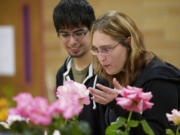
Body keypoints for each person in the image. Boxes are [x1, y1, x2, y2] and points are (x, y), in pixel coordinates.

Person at [89, 10, 180, 135]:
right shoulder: (114, 75)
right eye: (96, 50)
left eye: (106, 49)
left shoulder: (159, 79)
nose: (101, 58)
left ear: (128, 43)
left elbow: (157, 132)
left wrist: (121, 106)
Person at [53, 0, 107, 135]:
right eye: (65, 34)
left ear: (92, 29)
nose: (72, 41)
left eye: (78, 33)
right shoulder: (62, 74)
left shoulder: (107, 69)